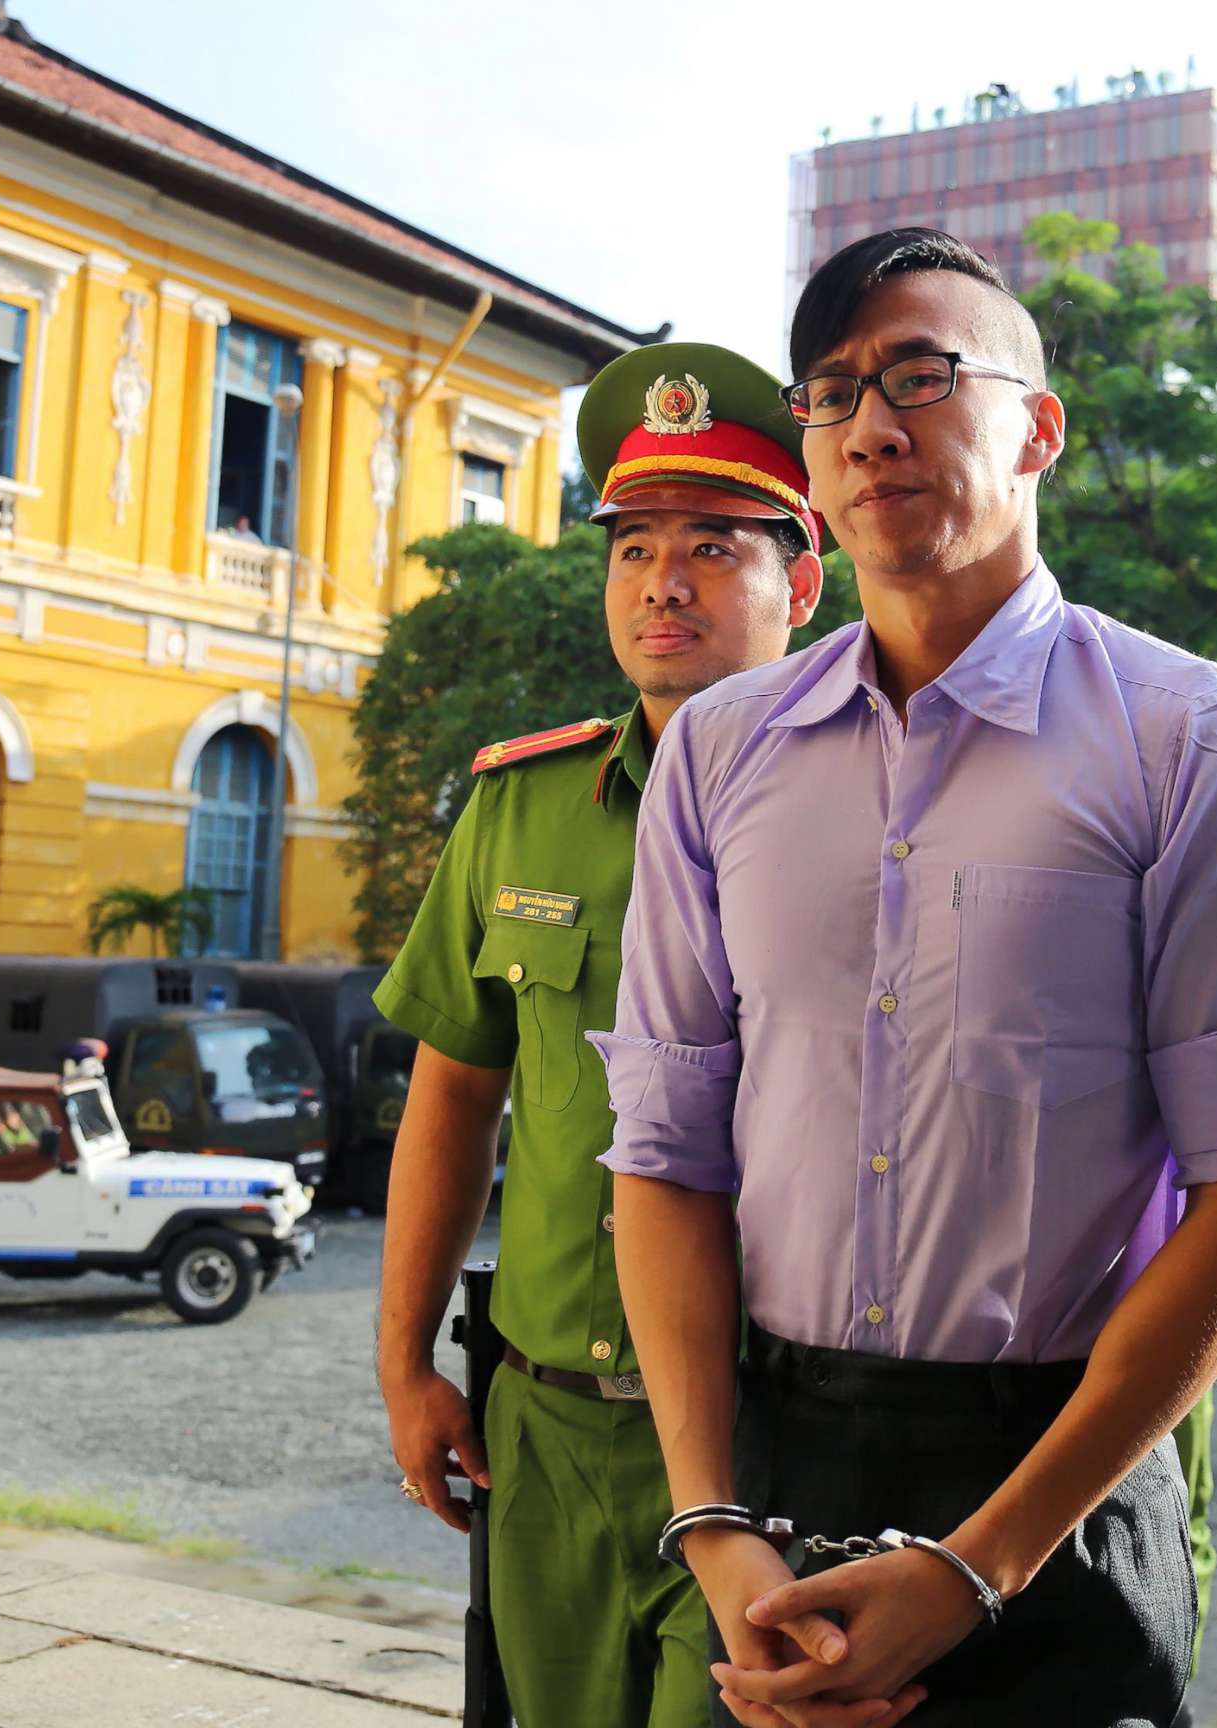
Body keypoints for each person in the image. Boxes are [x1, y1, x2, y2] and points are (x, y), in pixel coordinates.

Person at [596, 227, 1217, 1728]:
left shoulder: (1191, 744)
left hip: (1055, 1487)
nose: (874, 425)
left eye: (925, 374)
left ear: (1040, 427)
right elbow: (666, 1156)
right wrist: (715, 1521)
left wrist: (976, 1565)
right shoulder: (720, 758)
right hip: (776, 1482)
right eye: (833, 393)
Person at [372, 341, 824, 1728]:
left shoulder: (870, 808)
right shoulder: (520, 806)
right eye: (632, 550)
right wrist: (405, 1368)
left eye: (712, 546)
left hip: (778, 1429)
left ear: (801, 581)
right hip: (547, 1420)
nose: (663, 584)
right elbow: (449, 1100)